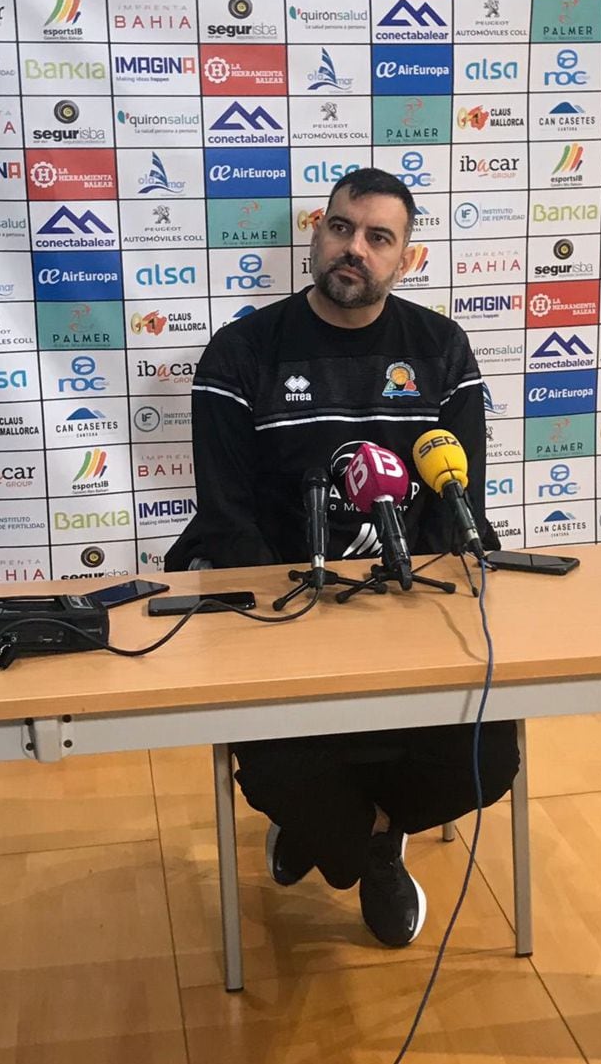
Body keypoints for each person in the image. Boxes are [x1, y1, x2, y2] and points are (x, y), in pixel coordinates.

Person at [165, 168, 518, 948]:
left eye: (377, 236)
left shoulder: (441, 349)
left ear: (406, 257)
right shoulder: (241, 353)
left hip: (409, 615)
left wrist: (401, 619)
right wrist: (301, 627)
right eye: (340, 227)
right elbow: (226, 523)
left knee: (489, 754)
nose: (352, 247)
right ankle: (366, 848)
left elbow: (459, 514)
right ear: (318, 233)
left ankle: (343, 835)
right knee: (277, 767)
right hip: (278, 622)